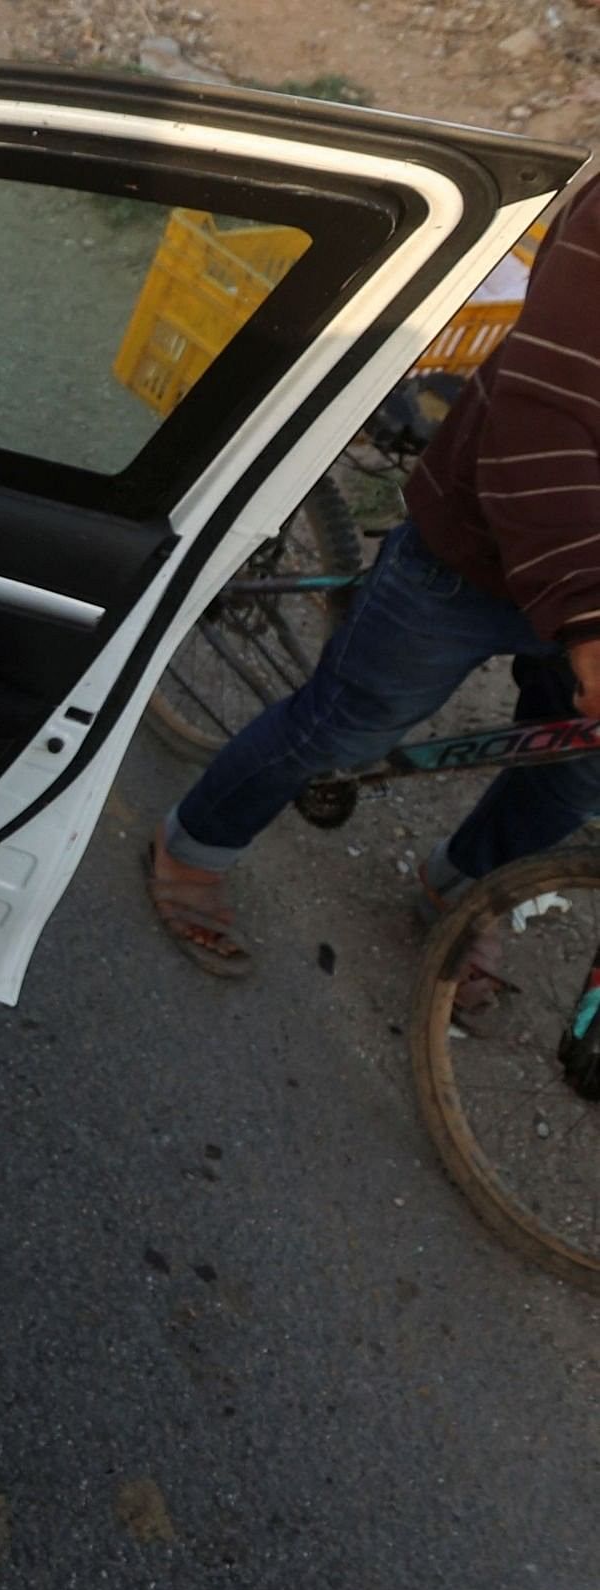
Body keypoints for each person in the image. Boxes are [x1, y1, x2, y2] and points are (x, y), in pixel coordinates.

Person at [149, 179, 600, 985]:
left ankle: (461, 890)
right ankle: (194, 847)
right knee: (343, 729)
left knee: (573, 774)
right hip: (482, 546)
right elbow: (544, 412)